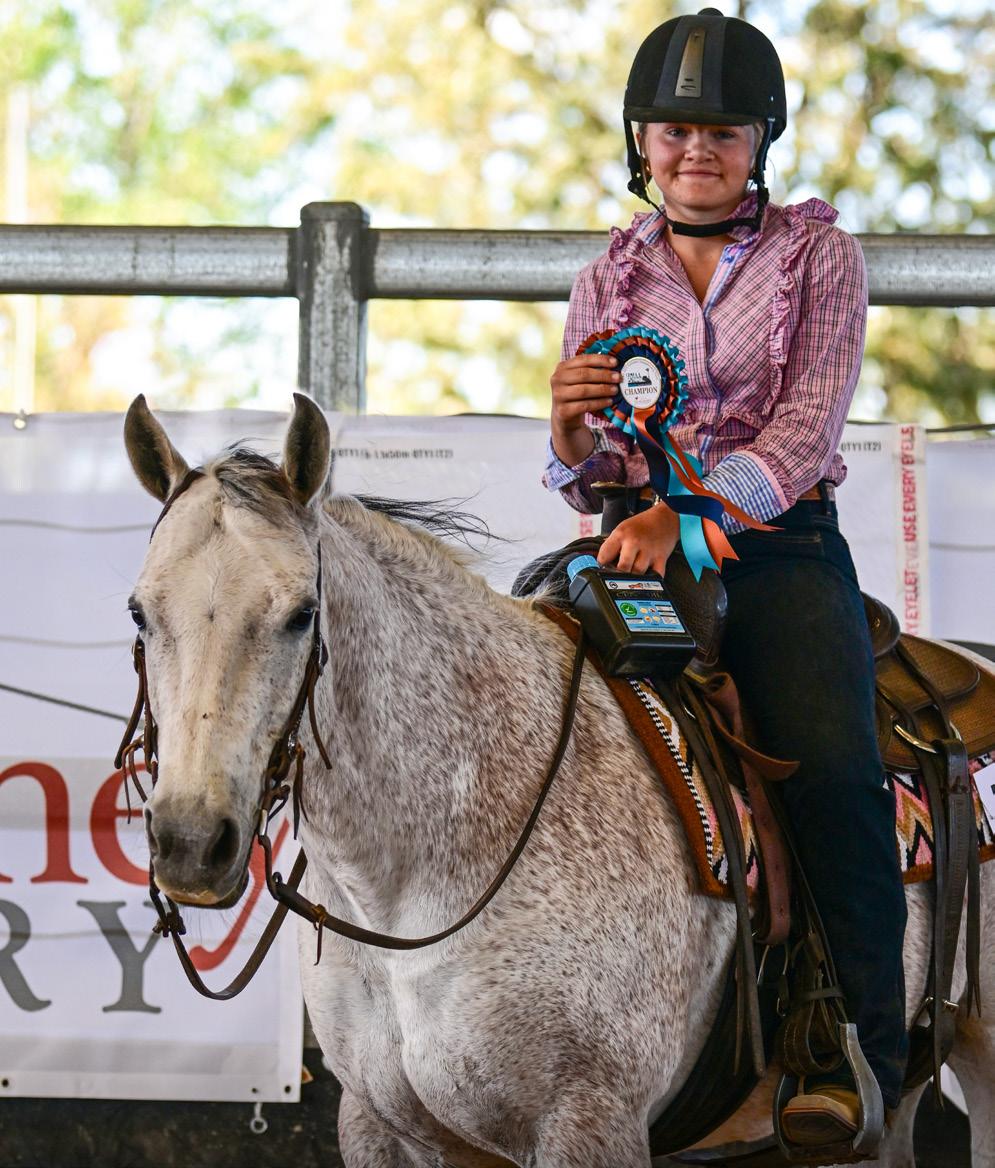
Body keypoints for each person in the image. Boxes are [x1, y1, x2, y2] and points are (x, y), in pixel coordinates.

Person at [543, 6, 908, 1149]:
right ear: (639, 141)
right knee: (523, 713)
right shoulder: (605, 276)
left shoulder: (818, 257)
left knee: (832, 766)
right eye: (672, 131)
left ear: (760, 141)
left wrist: (686, 519)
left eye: (721, 133)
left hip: (775, 551)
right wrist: (567, 435)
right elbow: (593, 466)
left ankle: (851, 1050)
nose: (694, 151)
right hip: (628, 543)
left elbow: (802, 434)